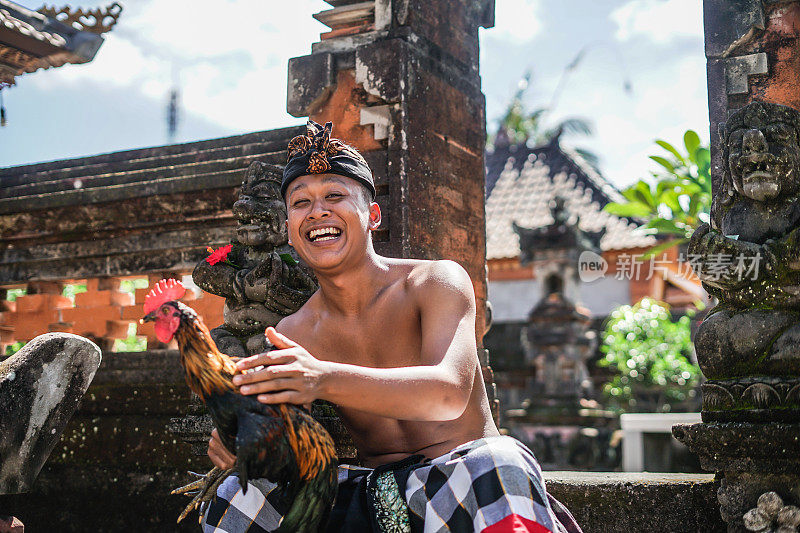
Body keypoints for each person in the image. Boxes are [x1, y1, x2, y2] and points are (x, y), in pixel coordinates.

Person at [202, 120, 582, 533]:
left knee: (501, 459)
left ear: (373, 216)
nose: (318, 211)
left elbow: (448, 395)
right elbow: (291, 448)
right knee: (239, 496)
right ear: (291, 232)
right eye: (300, 203)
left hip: (458, 478)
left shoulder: (434, 282)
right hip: (371, 496)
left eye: (335, 196)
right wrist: (246, 444)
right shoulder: (293, 332)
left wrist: (322, 378)